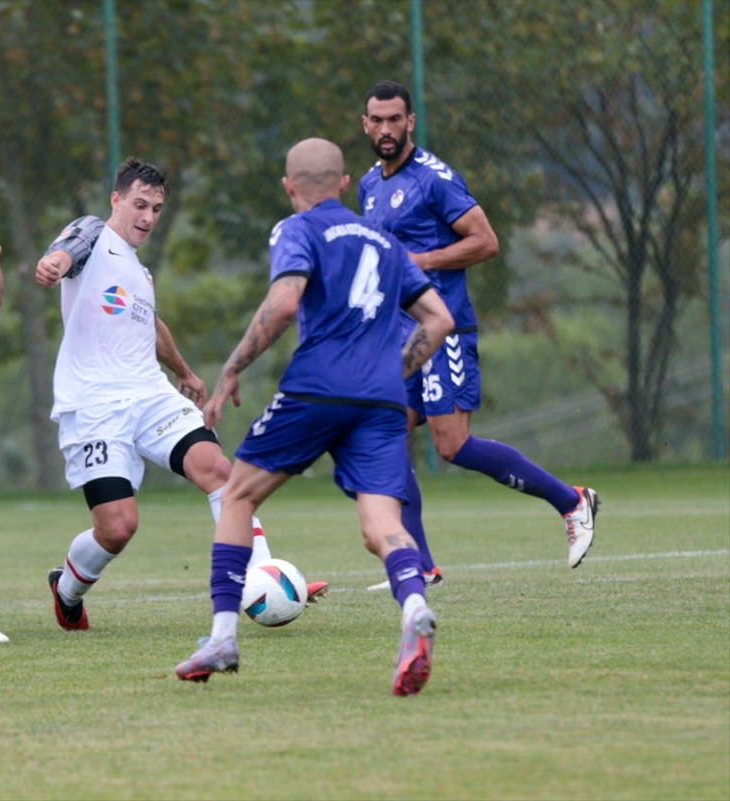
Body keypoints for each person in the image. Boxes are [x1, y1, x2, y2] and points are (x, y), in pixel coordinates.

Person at [174, 138, 455, 696]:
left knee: (237, 496)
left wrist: (232, 369)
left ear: (289, 186)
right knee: (382, 527)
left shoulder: (298, 229)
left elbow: (282, 304)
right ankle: (414, 608)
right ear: (345, 183)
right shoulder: (384, 240)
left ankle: (223, 638)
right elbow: (440, 319)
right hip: (379, 400)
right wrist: (389, 370)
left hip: (317, 387)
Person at [34, 157, 327, 632]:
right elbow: (69, 248)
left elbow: (150, 325)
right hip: (94, 405)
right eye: (139, 204)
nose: (148, 217)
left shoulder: (138, 272)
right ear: (116, 199)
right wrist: (53, 264)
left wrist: (185, 372)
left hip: (151, 395)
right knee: (117, 527)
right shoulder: (93, 235)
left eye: (156, 208)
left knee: (218, 470)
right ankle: (66, 589)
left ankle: (264, 575)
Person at [358, 80, 599, 589]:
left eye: (394, 119)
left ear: (410, 122)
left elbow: (484, 242)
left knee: (452, 446)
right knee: (383, 436)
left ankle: (571, 501)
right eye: (376, 120)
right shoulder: (368, 185)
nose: (385, 129)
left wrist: (419, 261)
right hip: (398, 336)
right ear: (365, 124)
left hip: (443, 327)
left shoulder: (434, 179)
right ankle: (419, 564)